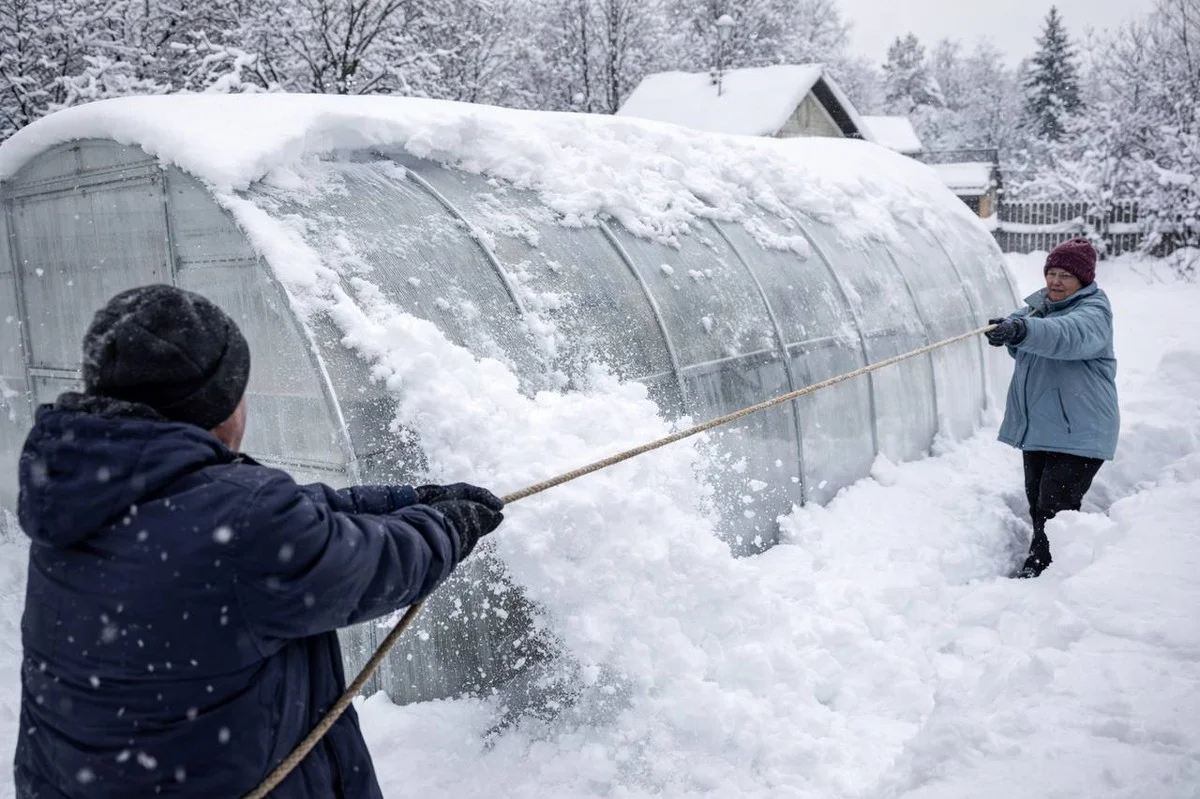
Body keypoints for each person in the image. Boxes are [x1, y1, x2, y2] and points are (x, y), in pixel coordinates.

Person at [14, 284, 505, 797]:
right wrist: (448, 525)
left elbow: (281, 519)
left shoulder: (80, 490)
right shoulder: (243, 524)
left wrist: (407, 498)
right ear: (220, 409)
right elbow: (368, 563)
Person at [987, 238, 1119, 579]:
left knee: (1055, 508)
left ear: (1083, 281)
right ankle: (1047, 565)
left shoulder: (1093, 313)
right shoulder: (1039, 309)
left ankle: (1045, 574)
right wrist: (1010, 330)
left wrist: (1023, 330)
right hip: (1043, 428)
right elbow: (1027, 337)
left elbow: (1064, 335)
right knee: (1039, 505)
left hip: (1079, 429)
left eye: (1065, 276)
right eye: (1052, 273)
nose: (1055, 281)